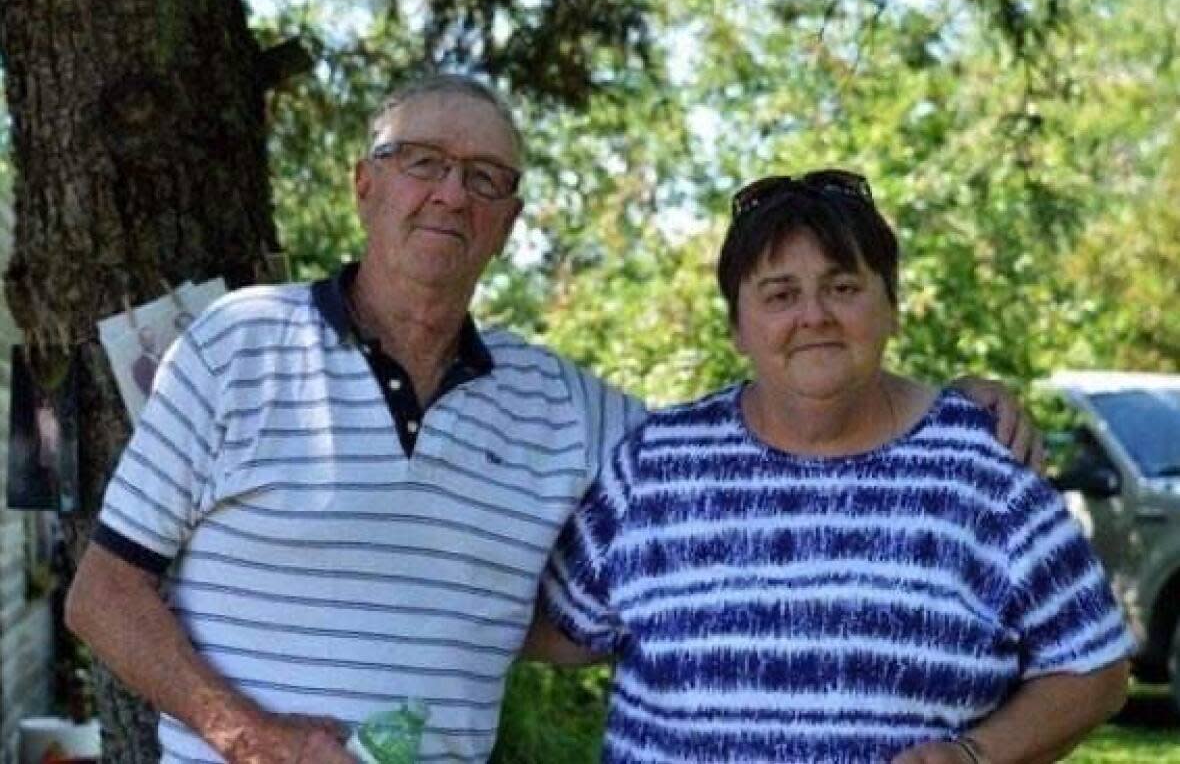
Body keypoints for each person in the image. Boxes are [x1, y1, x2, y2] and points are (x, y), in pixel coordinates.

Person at [65, 78, 1040, 764]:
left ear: (510, 221)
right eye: (422, 163)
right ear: (365, 185)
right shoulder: (240, 342)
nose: (452, 192)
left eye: (486, 178)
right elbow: (103, 594)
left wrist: (941, 403)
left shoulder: (557, 404)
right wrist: (253, 740)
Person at [533, 168, 1133, 764]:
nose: (814, 315)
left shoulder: (984, 472)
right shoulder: (655, 466)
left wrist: (976, 755)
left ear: (892, 308)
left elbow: (1095, 667)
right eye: (780, 294)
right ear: (737, 328)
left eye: (842, 287)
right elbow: (553, 626)